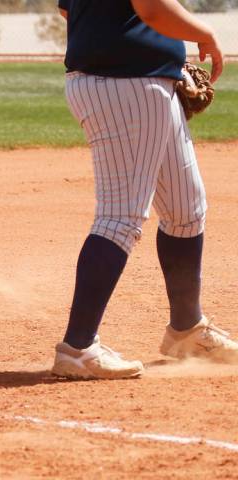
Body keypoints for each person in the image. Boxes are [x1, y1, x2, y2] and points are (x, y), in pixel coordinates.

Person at [51, 0, 238, 380]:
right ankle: (78, 348)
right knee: (120, 216)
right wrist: (205, 34)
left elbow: (72, 12)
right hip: (129, 86)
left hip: (140, 81)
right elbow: (152, 8)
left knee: (187, 208)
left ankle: (187, 329)